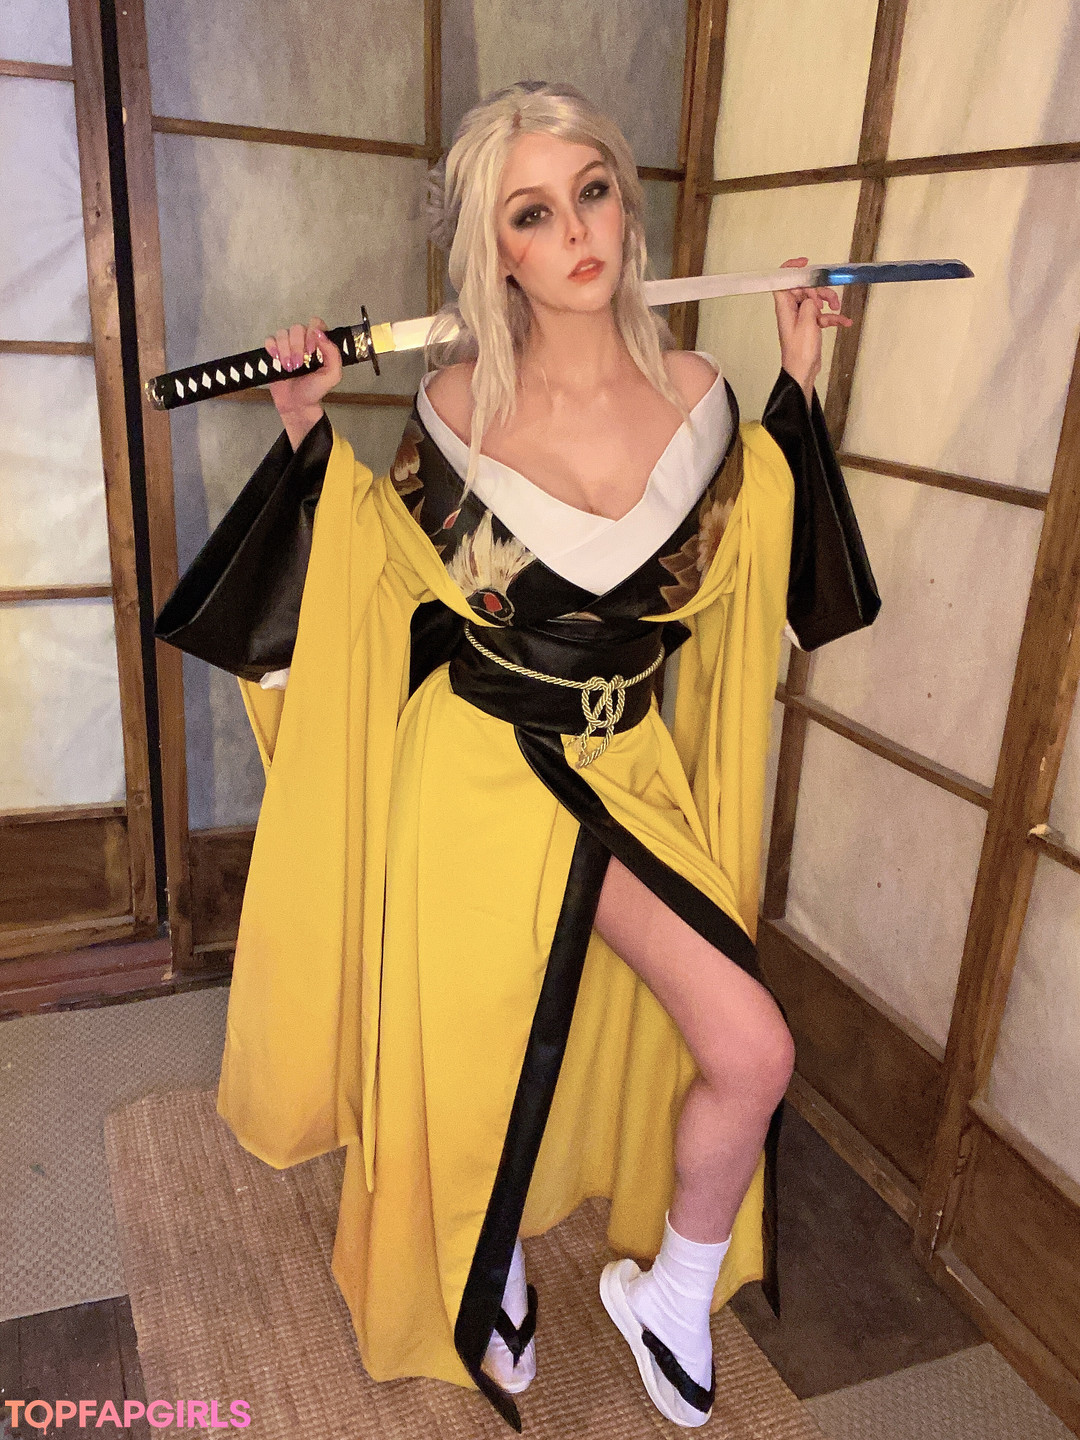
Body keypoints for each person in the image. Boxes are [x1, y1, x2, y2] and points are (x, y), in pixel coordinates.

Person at [206, 79, 857, 1433]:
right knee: (473, 1058)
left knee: (752, 1049)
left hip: (628, 772)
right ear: (493, 250)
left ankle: (673, 1292)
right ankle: (478, 1251)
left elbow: (756, 555)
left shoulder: (702, 400)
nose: (576, 234)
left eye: (593, 193)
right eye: (532, 213)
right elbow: (376, 585)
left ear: (626, 199)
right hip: (475, 772)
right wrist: (305, 431)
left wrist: (801, 382)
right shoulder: (454, 411)